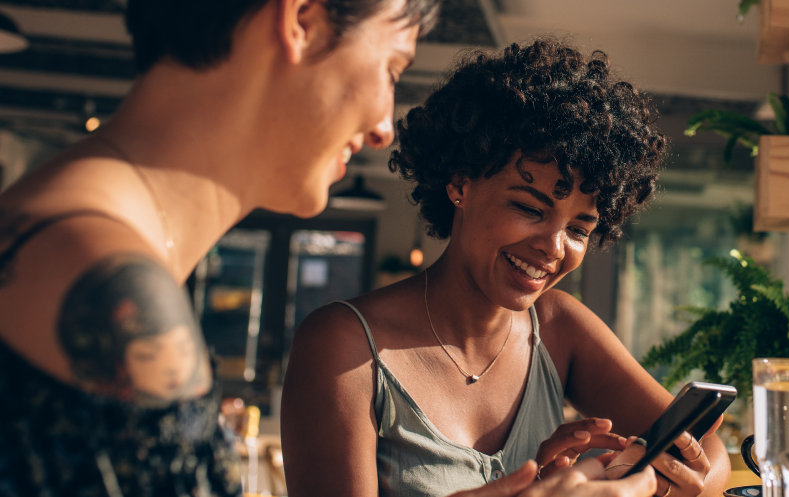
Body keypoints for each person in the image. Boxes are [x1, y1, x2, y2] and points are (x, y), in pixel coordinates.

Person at [0, 1, 655, 496]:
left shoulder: (68, 227)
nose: (381, 126)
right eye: (393, 66)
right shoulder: (103, 277)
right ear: (303, 21)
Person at [281, 38, 731, 497]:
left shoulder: (559, 326)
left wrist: (662, 480)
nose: (553, 248)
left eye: (578, 229)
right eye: (529, 209)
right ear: (460, 183)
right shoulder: (342, 346)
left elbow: (707, 451)